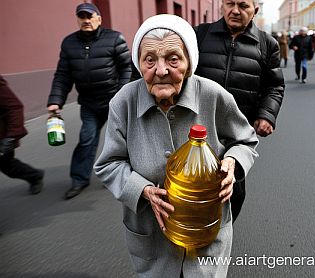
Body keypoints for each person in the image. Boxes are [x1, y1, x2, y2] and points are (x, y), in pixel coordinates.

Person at [94, 14, 259, 277]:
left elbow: (245, 139)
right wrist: (144, 190)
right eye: (150, 60)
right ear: (139, 63)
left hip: (206, 230)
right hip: (152, 235)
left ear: (189, 62)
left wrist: (232, 162)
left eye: (173, 59)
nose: (160, 70)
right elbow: (108, 164)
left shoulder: (213, 95)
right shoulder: (123, 102)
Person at [194, 0, 284, 221]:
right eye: (229, 3)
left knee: (233, 193)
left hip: (237, 135)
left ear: (255, 9)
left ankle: (220, 236)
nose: (235, 10)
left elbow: (274, 85)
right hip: (196, 129)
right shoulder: (200, 35)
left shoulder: (267, 44)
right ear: (222, 5)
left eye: (243, 5)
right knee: (192, 187)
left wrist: (266, 114)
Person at [47, 3, 131, 199]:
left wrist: (121, 95)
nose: (86, 20)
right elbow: (62, 75)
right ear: (77, 19)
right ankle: (79, 179)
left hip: (114, 101)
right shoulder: (69, 43)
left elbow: (127, 68)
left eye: (90, 16)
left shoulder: (114, 38)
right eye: (82, 17)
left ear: (99, 19)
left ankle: (124, 175)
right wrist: (55, 101)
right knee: (87, 138)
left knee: (123, 139)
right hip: (89, 104)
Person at [0, 75, 44, 194]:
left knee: (8, 167)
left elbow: (14, 107)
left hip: (2, 138)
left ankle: (34, 176)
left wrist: (11, 136)